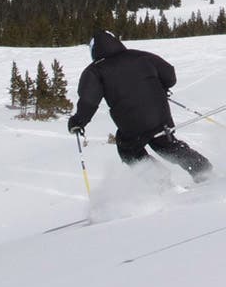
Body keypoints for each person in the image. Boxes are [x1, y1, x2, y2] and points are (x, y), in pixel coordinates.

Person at [67, 30, 212, 182]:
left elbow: (88, 101)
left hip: (132, 124)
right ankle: (203, 170)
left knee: (128, 149)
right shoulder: (140, 56)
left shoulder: (94, 71)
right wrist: (159, 87)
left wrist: (77, 122)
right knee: (166, 143)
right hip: (160, 115)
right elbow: (170, 75)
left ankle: (160, 181)